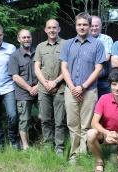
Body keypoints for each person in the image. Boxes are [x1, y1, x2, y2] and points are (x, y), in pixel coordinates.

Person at [60, 12, 105, 163]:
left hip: (89, 91)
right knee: (73, 124)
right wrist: (73, 87)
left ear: (90, 26)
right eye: (79, 24)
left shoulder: (97, 44)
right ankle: (73, 155)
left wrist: (83, 87)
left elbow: (98, 68)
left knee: (86, 125)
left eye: (85, 24)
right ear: (75, 25)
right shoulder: (68, 44)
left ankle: (82, 154)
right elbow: (64, 67)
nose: (82, 27)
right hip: (70, 90)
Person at [34, 19, 67, 155]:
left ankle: (59, 146)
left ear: (59, 29)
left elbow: (68, 67)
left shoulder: (66, 44)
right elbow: (36, 67)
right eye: (49, 28)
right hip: (43, 89)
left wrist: (55, 82)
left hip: (60, 89)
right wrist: (46, 83)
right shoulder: (40, 47)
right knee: (45, 119)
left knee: (60, 120)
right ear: (45, 30)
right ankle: (48, 144)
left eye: (55, 27)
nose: (52, 30)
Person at [8, 29, 38, 150]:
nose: (26, 39)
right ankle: (25, 145)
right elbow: (15, 76)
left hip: (39, 90)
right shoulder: (14, 56)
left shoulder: (37, 52)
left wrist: (37, 87)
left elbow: (44, 71)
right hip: (23, 93)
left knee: (45, 116)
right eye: (24, 37)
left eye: (28, 37)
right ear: (18, 39)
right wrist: (29, 88)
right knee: (24, 120)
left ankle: (43, 140)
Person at [91, 15, 113, 98]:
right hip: (86, 79)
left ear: (100, 27)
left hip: (102, 80)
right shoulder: (83, 39)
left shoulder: (106, 39)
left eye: (96, 26)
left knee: (104, 104)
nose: (94, 28)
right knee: (89, 107)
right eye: (92, 26)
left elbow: (107, 57)